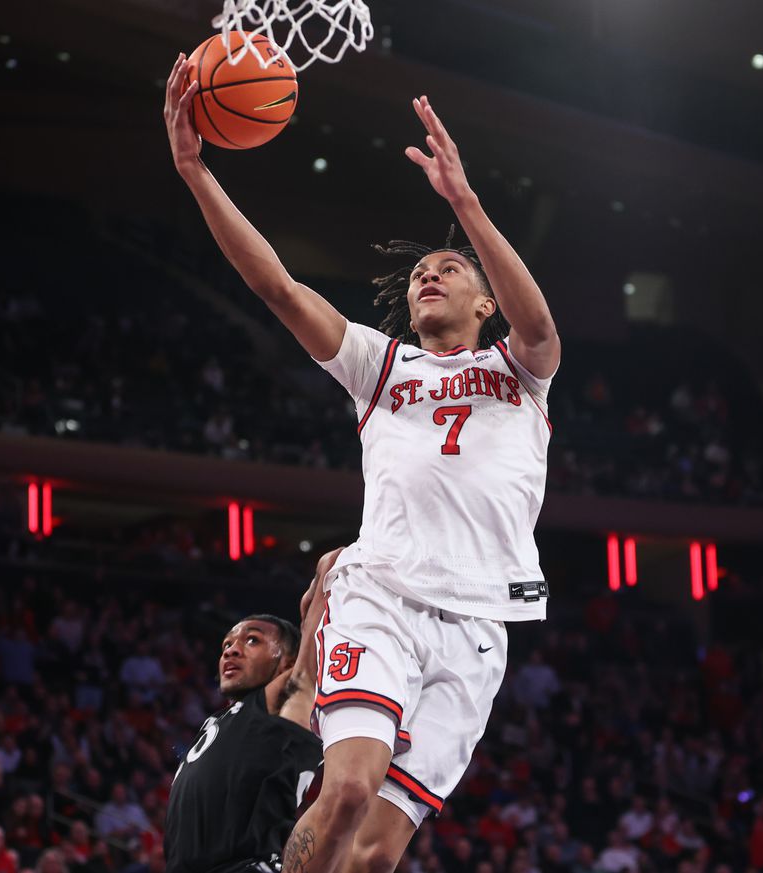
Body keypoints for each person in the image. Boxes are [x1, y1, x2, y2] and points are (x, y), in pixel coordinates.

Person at [164, 45, 560, 873]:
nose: (428, 275)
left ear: (483, 300)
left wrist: (466, 204)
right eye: (420, 270)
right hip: (381, 590)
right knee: (343, 792)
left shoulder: (518, 371)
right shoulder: (380, 366)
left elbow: (542, 329)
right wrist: (199, 174)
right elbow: (278, 286)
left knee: (376, 851)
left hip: (482, 624)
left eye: (448, 269)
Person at [164, 550, 338, 873]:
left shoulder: (286, 705)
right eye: (227, 644)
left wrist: (328, 573)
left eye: (252, 640)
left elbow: (309, 664)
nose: (231, 648)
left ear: (287, 662)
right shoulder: (221, 721)